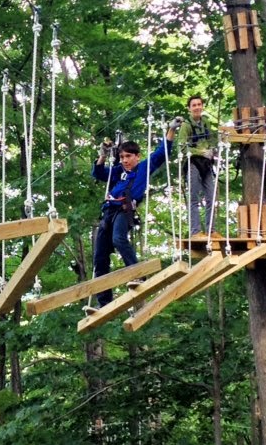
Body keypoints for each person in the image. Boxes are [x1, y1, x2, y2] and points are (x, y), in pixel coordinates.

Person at [91, 121, 178, 305]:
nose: (124, 160)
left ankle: (138, 273)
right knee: (100, 257)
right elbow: (99, 173)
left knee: (118, 239)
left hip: (124, 210)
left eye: (128, 156)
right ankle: (103, 302)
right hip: (108, 212)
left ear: (137, 156)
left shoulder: (144, 168)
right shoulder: (117, 171)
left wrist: (171, 129)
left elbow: (161, 153)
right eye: (122, 157)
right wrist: (102, 156)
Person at [177, 94, 218, 236]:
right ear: (189, 108)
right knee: (194, 197)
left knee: (211, 196)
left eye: (199, 104)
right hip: (193, 162)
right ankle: (195, 231)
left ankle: (211, 230)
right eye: (194, 105)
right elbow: (182, 147)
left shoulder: (206, 123)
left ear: (202, 106)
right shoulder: (186, 126)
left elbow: (211, 139)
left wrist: (212, 150)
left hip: (206, 163)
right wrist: (201, 152)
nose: (197, 108)